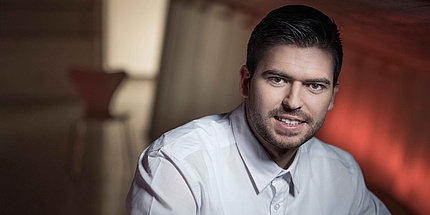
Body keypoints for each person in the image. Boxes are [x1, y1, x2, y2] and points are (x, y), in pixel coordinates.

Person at [127, 5, 390, 215]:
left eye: (315, 86)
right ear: (245, 82)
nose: (293, 102)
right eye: (278, 79)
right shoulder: (178, 164)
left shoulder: (342, 172)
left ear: (332, 96)